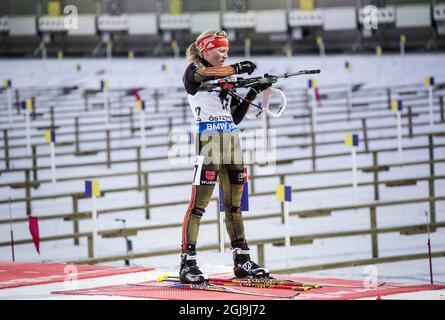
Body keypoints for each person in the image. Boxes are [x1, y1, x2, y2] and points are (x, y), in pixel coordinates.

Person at [180, 29, 271, 284]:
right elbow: (203, 75)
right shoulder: (194, 71)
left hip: (231, 140)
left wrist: (254, 91)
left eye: (227, 51)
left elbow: (235, 116)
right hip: (209, 141)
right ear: (205, 49)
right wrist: (236, 68)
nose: (225, 55)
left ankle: (242, 259)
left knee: (234, 205)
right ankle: (187, 263)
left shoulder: (225, 78)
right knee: (199, 205)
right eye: (220, 50)